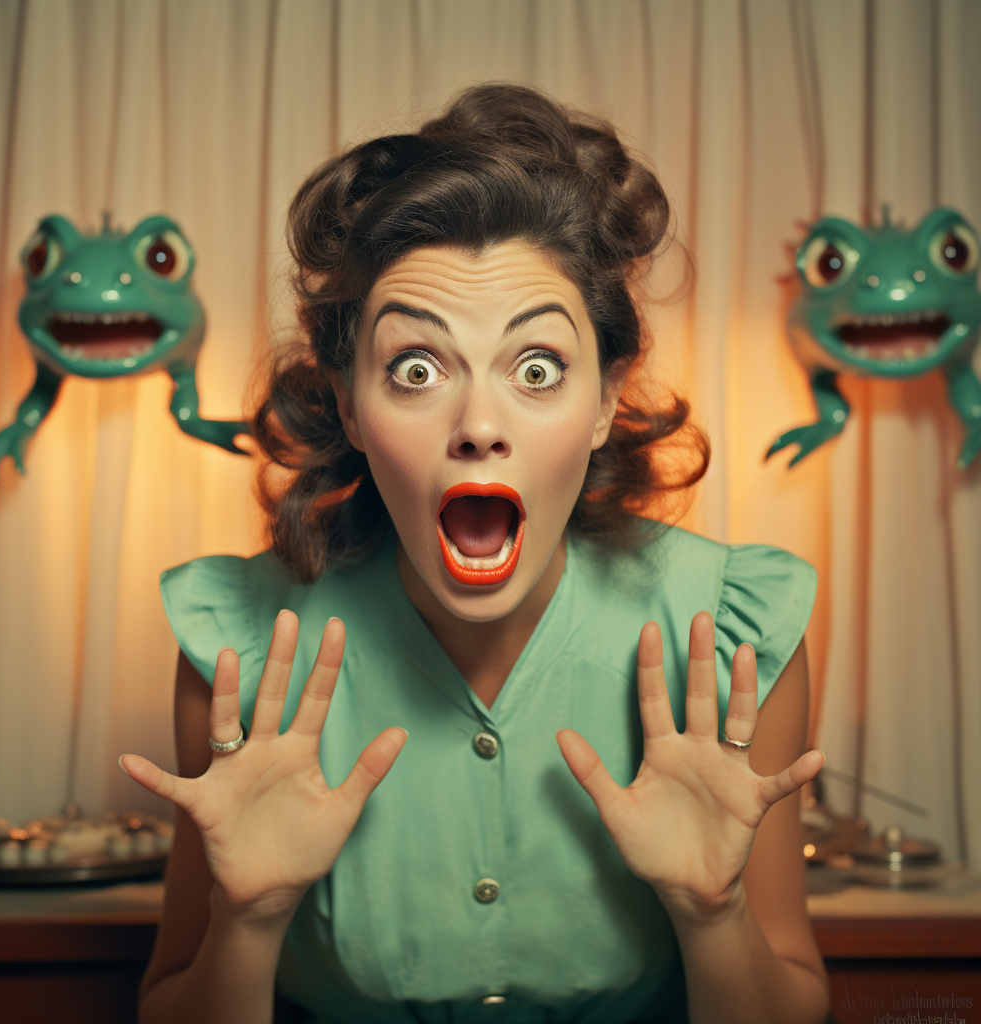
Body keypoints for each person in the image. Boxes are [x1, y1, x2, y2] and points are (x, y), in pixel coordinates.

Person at [121, 84, 831, 1024]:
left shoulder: (737, 639)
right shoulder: (241, 653)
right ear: (347, 403)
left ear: (608, 400)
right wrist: (249, 923)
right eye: (416, 370)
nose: (480, 426)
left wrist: (715, 914)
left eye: (537, 370)